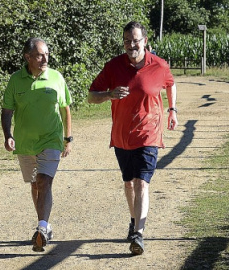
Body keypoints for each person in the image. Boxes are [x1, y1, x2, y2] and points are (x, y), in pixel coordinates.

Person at [87, 21, 177, 255]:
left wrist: (172, 110)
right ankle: (134, 220)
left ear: (145, 41)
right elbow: (91, 96)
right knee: (128, 183)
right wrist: (109, 94)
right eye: (127, 41)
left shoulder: (158, 65)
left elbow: (170, 83)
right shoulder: (113, 66)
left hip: (149, 134)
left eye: (135, 40)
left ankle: (139, 233)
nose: (131, 45)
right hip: (121, 136)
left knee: (141, 182)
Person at [1, 37, 73, 252]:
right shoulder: (15, 80)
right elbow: (7, 111)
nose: (45, 59)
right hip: (25, 143)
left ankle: (41, 227)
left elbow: (65, 108)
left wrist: (68, 139)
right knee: (34, 184)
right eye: (40, 55)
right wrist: (8, 134)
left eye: (47, 54)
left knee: (44, 181)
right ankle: (44, 225)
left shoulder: (56, 78)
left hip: (51, 140)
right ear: (28, 57)